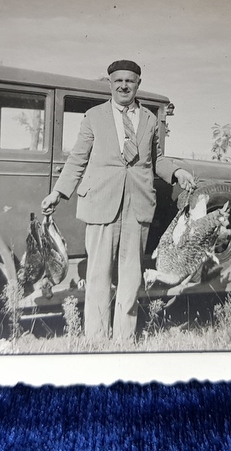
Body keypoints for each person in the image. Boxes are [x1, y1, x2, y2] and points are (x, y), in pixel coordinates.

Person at [41, 60, 196, 340]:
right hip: (102, 203)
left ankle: (125, 338)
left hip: (137, 206)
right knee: (99, 275)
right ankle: (96, 339)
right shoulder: (93, 116)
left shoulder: (149, 119)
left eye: (130, 81)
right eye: (118, 81)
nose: (124, 85)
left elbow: (157, 160)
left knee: (131, 276)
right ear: (110, 83)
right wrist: (58, 192)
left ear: (138, 84)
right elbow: (78, 158)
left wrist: (177, 172)